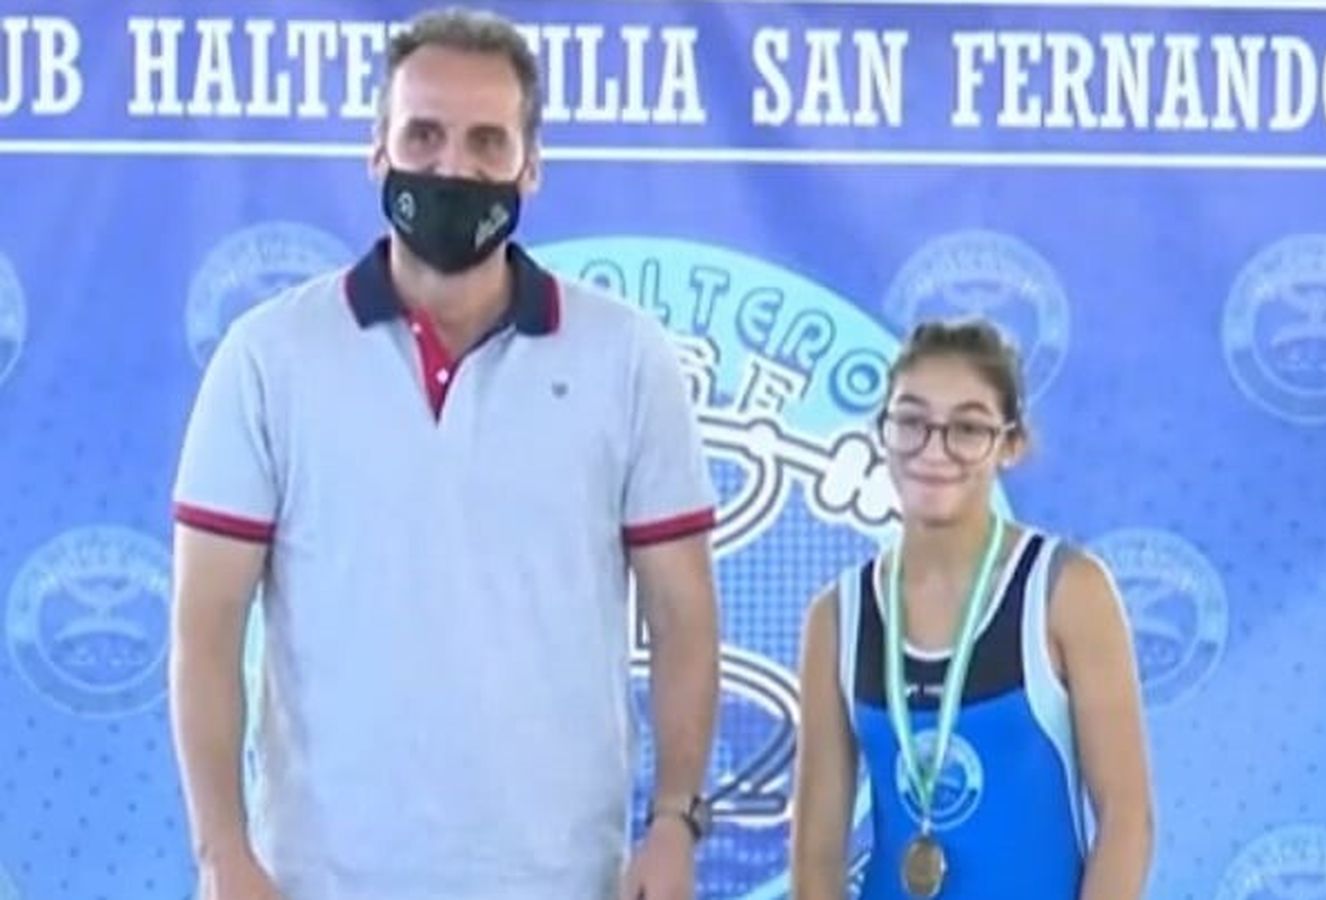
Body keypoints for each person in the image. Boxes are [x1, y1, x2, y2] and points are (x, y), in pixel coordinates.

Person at [167, 8, 720, 900]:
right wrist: (221, 852)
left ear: (530, 166)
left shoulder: (627, 356)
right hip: (321, 879)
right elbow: (205, 630)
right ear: (376, 150)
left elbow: (684, 615)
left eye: (486, 141)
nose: (452, 166)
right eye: (422, 134)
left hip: (563, 878)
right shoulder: (268, 356)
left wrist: (673, 823)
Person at [789, 319, 1154, 898]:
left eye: (967, 428)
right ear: (882, 432)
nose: (935, 450)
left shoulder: (1067, 593)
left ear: (1010, 444)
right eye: (911, 422)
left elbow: (1128, 818)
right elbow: (815, 851)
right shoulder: (838, 618)